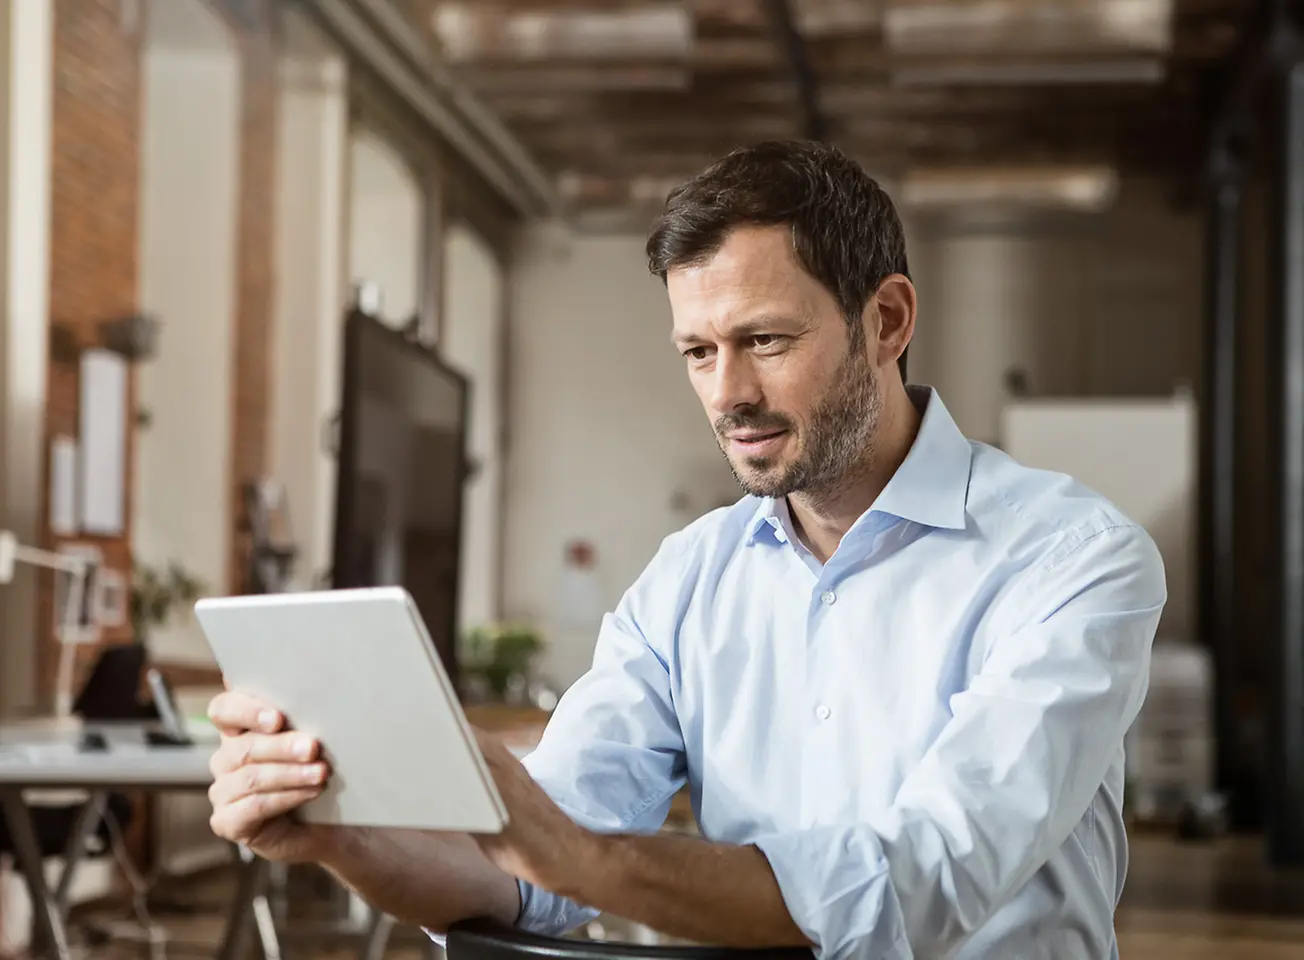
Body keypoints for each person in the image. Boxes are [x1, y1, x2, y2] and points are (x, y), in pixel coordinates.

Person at [205, 140, 1165, 959]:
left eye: (766, 340)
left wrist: (578, 854)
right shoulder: (688, 580)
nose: (727, 393)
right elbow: (527, 876)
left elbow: (925, 874)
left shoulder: (1073, 560)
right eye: (699, 352)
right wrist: (342, 837)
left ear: (887, 321)